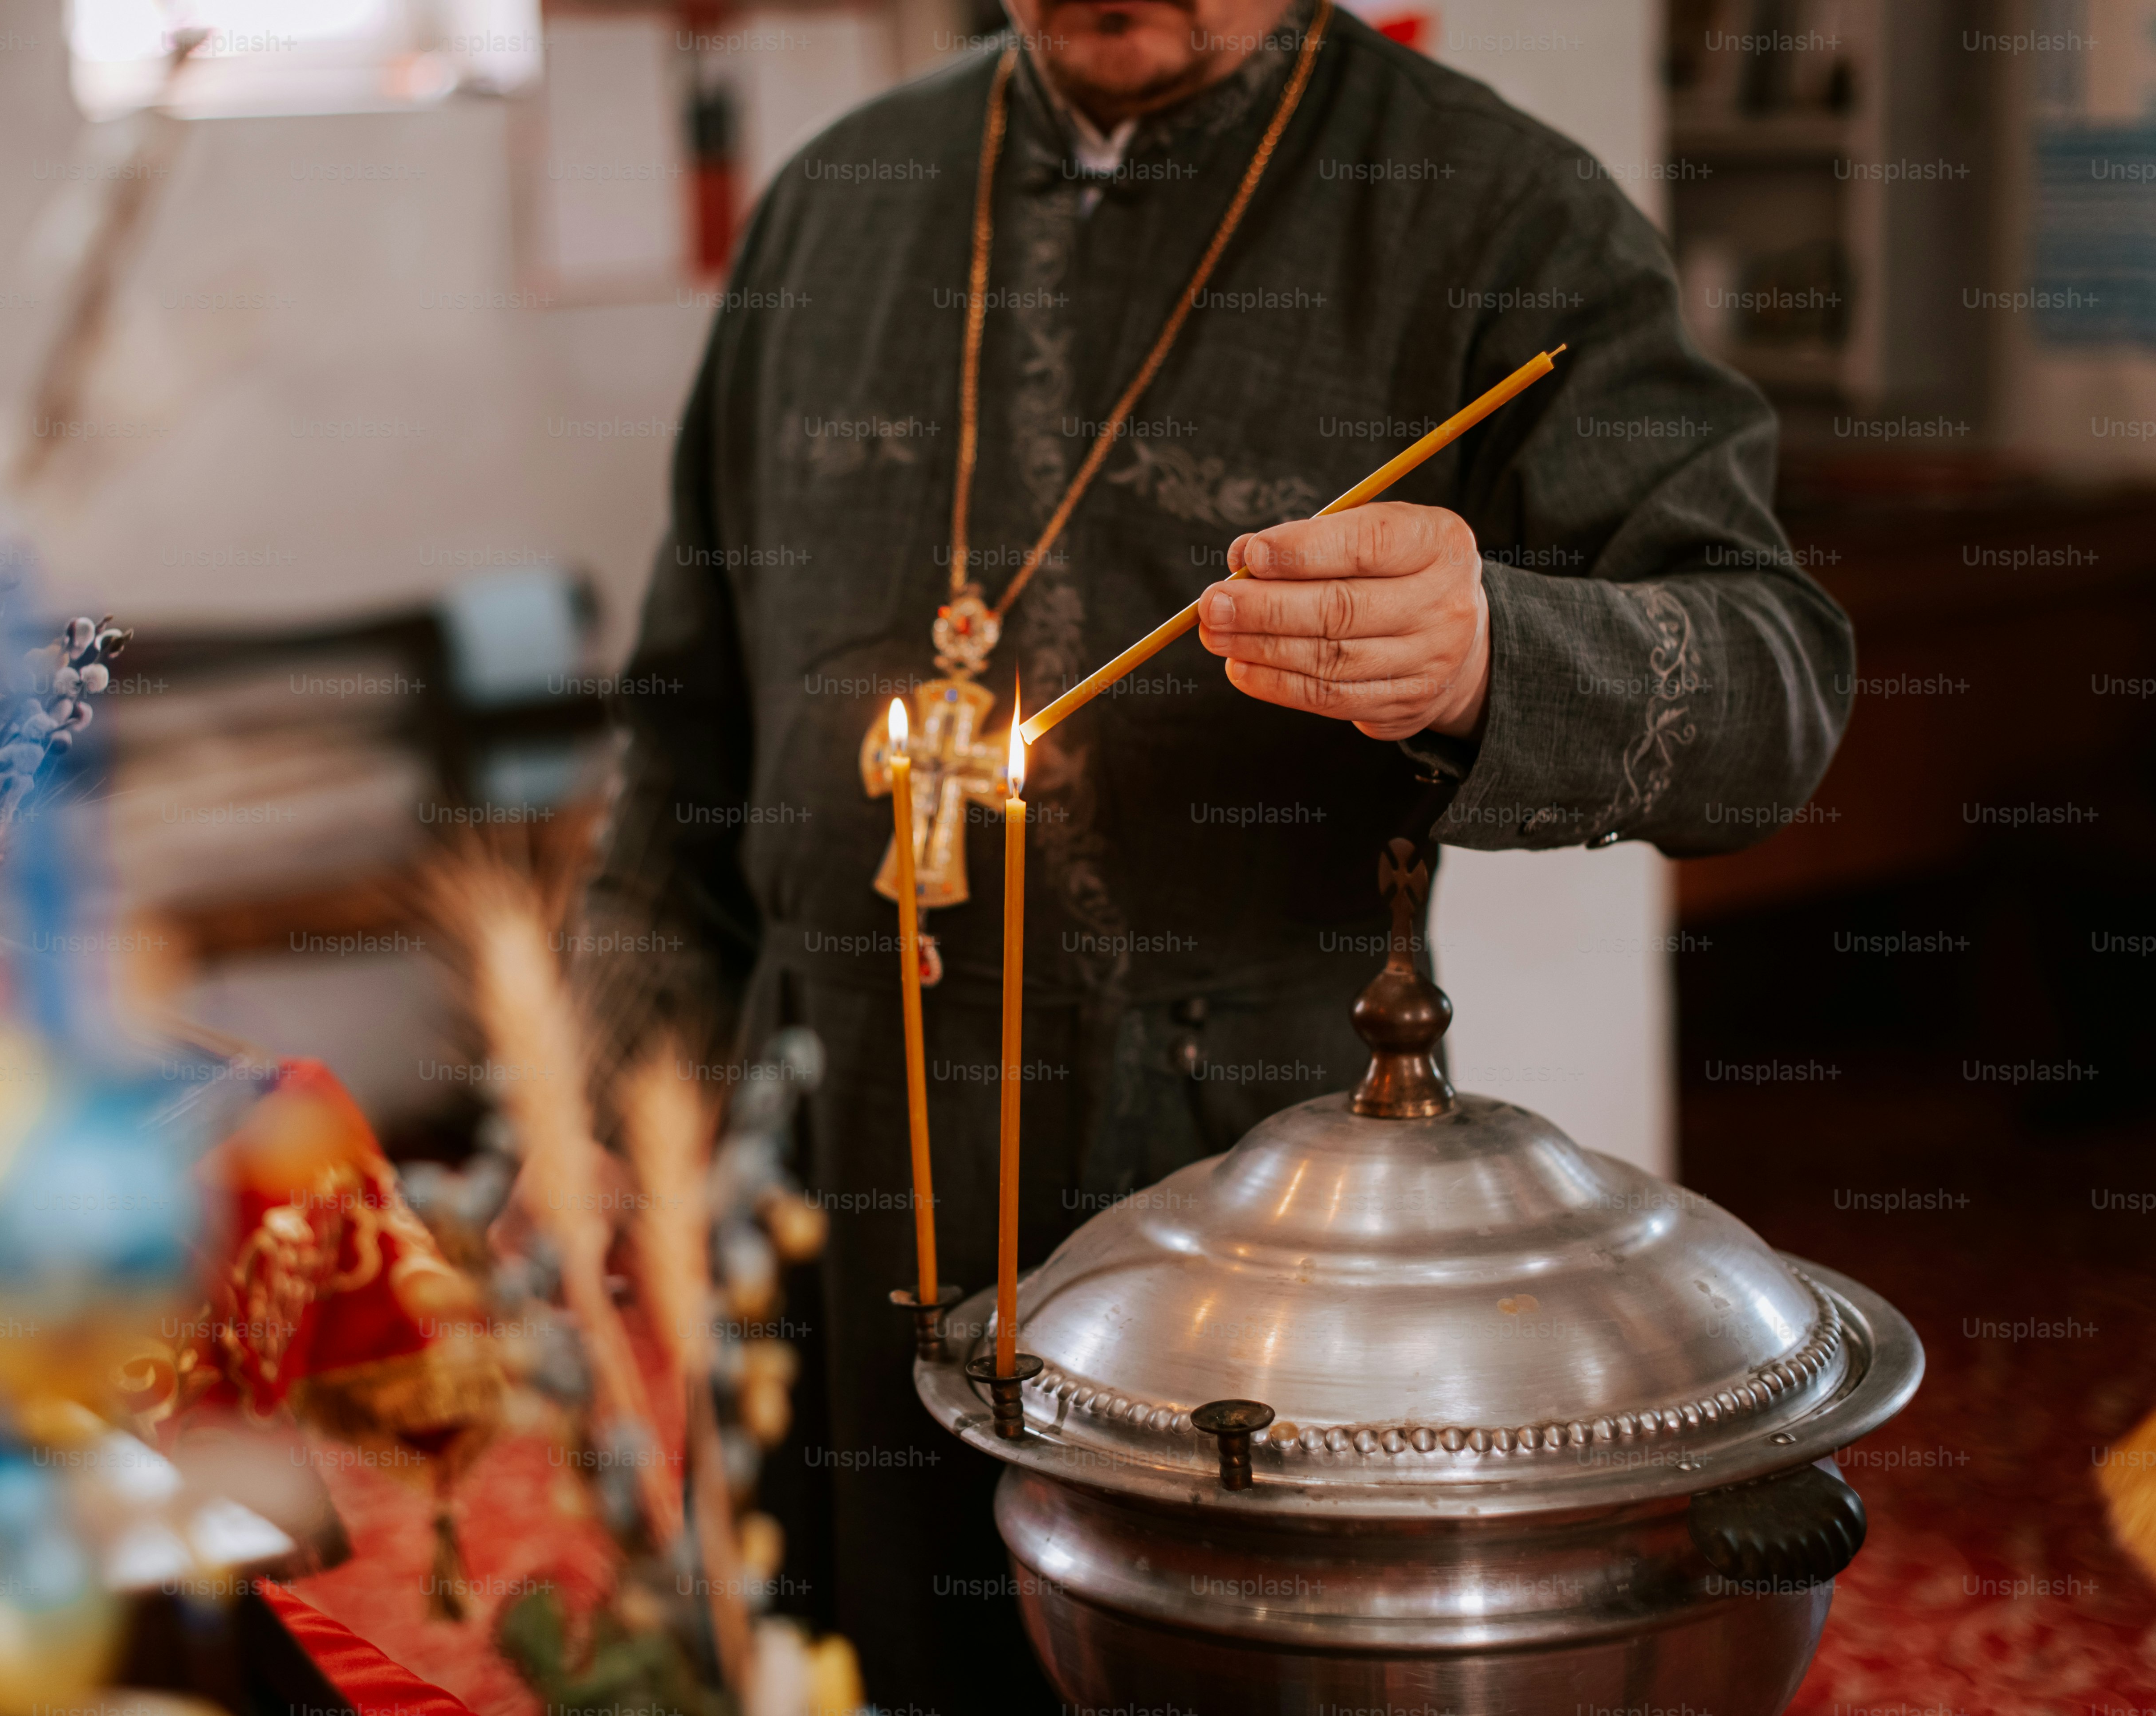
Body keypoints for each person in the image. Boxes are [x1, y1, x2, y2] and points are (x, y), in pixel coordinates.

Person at [586, 0, 1851, 1708]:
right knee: (826, 1656)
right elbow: (684, 724)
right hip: (822, 1141)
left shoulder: (1491, 205)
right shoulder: (840, 194)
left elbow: (1774, 684)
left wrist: (1494, 654)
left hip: (1224, 1203)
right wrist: (610, 1085)